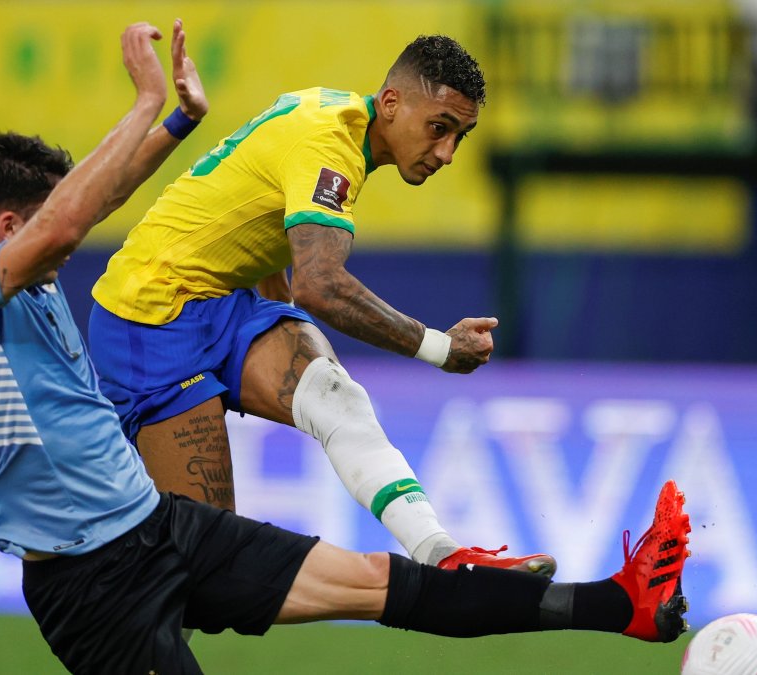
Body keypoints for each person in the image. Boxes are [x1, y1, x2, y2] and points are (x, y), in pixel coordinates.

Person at [0, 20, 691, 674]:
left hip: (158, 512)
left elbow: (95, 206)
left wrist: (178, 121)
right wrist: (147, 98)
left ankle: (614, 603)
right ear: (9, 227)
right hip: (95, 565)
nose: (447, 151)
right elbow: (71, 223)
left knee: (388, 576)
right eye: (441, 129)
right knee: (216, 604)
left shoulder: (31, 284)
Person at [88, 32, 552, 574]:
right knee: (202, 572)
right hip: (148, 320)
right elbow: (321, 284)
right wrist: (439, 348)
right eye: (438, 129)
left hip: (220, 301)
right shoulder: (329, 147)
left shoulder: (332, 111)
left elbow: (250, 214)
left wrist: (280, 322)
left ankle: (443, 557)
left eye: (459, 136)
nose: (447, 152)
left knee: (338, 399)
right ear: (392, 104)